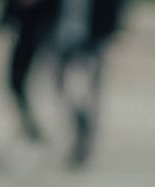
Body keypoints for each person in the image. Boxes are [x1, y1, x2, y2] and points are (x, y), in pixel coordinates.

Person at [51, 0, 126, 170]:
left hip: (93, 40)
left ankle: (85, 141)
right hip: (63, 40)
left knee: (87, 92)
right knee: (63, 88)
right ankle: (82, 127)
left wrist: (115, 29)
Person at [0, 0, 60, 145]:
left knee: (39, 86)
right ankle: (31, 128)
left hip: (42, 35)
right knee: (15, 83)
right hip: (26, 34)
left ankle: (37, 131)